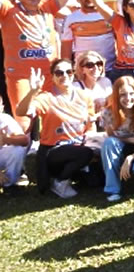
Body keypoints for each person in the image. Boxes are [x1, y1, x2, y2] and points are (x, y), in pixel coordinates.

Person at [1, 0, 78, 129]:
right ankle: (22, 148)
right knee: (24, 120)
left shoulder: (47, 6)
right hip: (20, 75)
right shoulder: (9, 9)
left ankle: (51, 146)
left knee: (54, 114)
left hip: (50, 74)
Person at [18, 59, 97, 198]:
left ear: (74, 74)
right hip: (53, 150)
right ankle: (59, 182)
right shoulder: (46, 98)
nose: (64, 76)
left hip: (78, 145)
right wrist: (32, 92)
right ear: (53, 77)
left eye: (68, 72)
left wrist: (93, 140)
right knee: (86, 154)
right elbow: (21, 111)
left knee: (97, 181)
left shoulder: (84, 96)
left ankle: (73, 175)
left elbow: (90, 125)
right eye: (59, 73)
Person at [61, 0, 117, 72]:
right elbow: (66, 47)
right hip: (83, 71)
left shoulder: (110, 15)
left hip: (109, 69)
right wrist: (67, 70)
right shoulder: (71, 19)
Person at [72, 51, 113, 129]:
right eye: (90, 65)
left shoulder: (106, 82)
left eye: (99, 64)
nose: (96, 68)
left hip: (105, 124)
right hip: (85, 126)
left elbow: (112, 106)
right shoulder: (75, 87)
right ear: (82, 69)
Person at [0, 99, 30, 191]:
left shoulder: (5, 119)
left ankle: (9, 185)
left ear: (2, 107)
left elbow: (24, 141)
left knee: (17, 150)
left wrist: (7, 139)